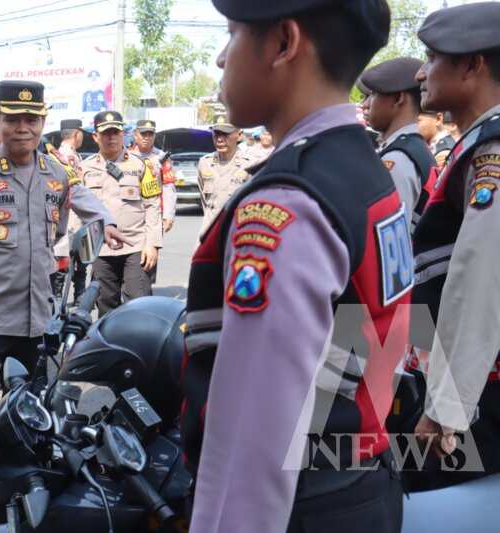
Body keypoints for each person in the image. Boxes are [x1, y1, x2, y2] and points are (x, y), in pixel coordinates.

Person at [182, 2, 408, 532]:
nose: (219, 58)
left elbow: (252, 442)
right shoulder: (361, 167)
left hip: (301, 505)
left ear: (284, 43)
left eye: (232, 34)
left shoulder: (288, 203)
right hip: (358, 481)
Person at [0, 81, 127, 485]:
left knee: (32, 412)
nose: (22, 128)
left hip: (37, 319)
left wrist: (105, 221)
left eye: (31, 119)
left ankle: (18, 492)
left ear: (42, 122)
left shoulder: (55, 173)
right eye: (13, 119)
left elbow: (64, 216)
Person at [411, 2, 500, 490]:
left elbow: (478, 278)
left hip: (480, 392)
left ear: (473, 64)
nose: (422, 72)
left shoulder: (493, 149)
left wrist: (446, 410)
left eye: (432, 57)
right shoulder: (479, 142)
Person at [82, 111, 163, 316]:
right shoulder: (84, 168)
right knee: (105, 307)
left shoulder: (143, 166)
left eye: (116, 132)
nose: (111, 137)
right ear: (95, 137)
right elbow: (78, 212)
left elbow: (152, 205)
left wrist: (152, 244)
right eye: (106, 133)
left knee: (140, 306)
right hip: (101, 249)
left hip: (135, 246)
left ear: (123, 134)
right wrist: (80, 249)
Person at [359, 57, 436, 230]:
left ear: (398, 99)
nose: (365, 105)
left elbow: (388, 237)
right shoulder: (411, 148)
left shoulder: (399, 159)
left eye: (373, 95)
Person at [196, 115, 252, 235]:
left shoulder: (250, 165)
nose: (219, 139)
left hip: (236, 231)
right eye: (216, 134)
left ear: (240, 135)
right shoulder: (205, 163)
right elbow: (205, 201)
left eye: (225, 134)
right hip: (208, 230)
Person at [52, 118, 88, 301]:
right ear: (76, 134)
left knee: (76, 262)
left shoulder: (62, 154)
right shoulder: (66, 157)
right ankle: (62, 301)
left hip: (71, 219)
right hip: (69, 219)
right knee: (65, 263)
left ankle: (72, 297)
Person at [131, 120, 177, 234]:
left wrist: (168, 215)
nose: (147, 138)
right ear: (135, 135)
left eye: (150, 134)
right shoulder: (126, 156)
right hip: (131, 214)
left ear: (154, 135)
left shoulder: (162, 157)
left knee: (152, 250)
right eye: (143, 134)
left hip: (154, 213)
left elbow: (168, 187)